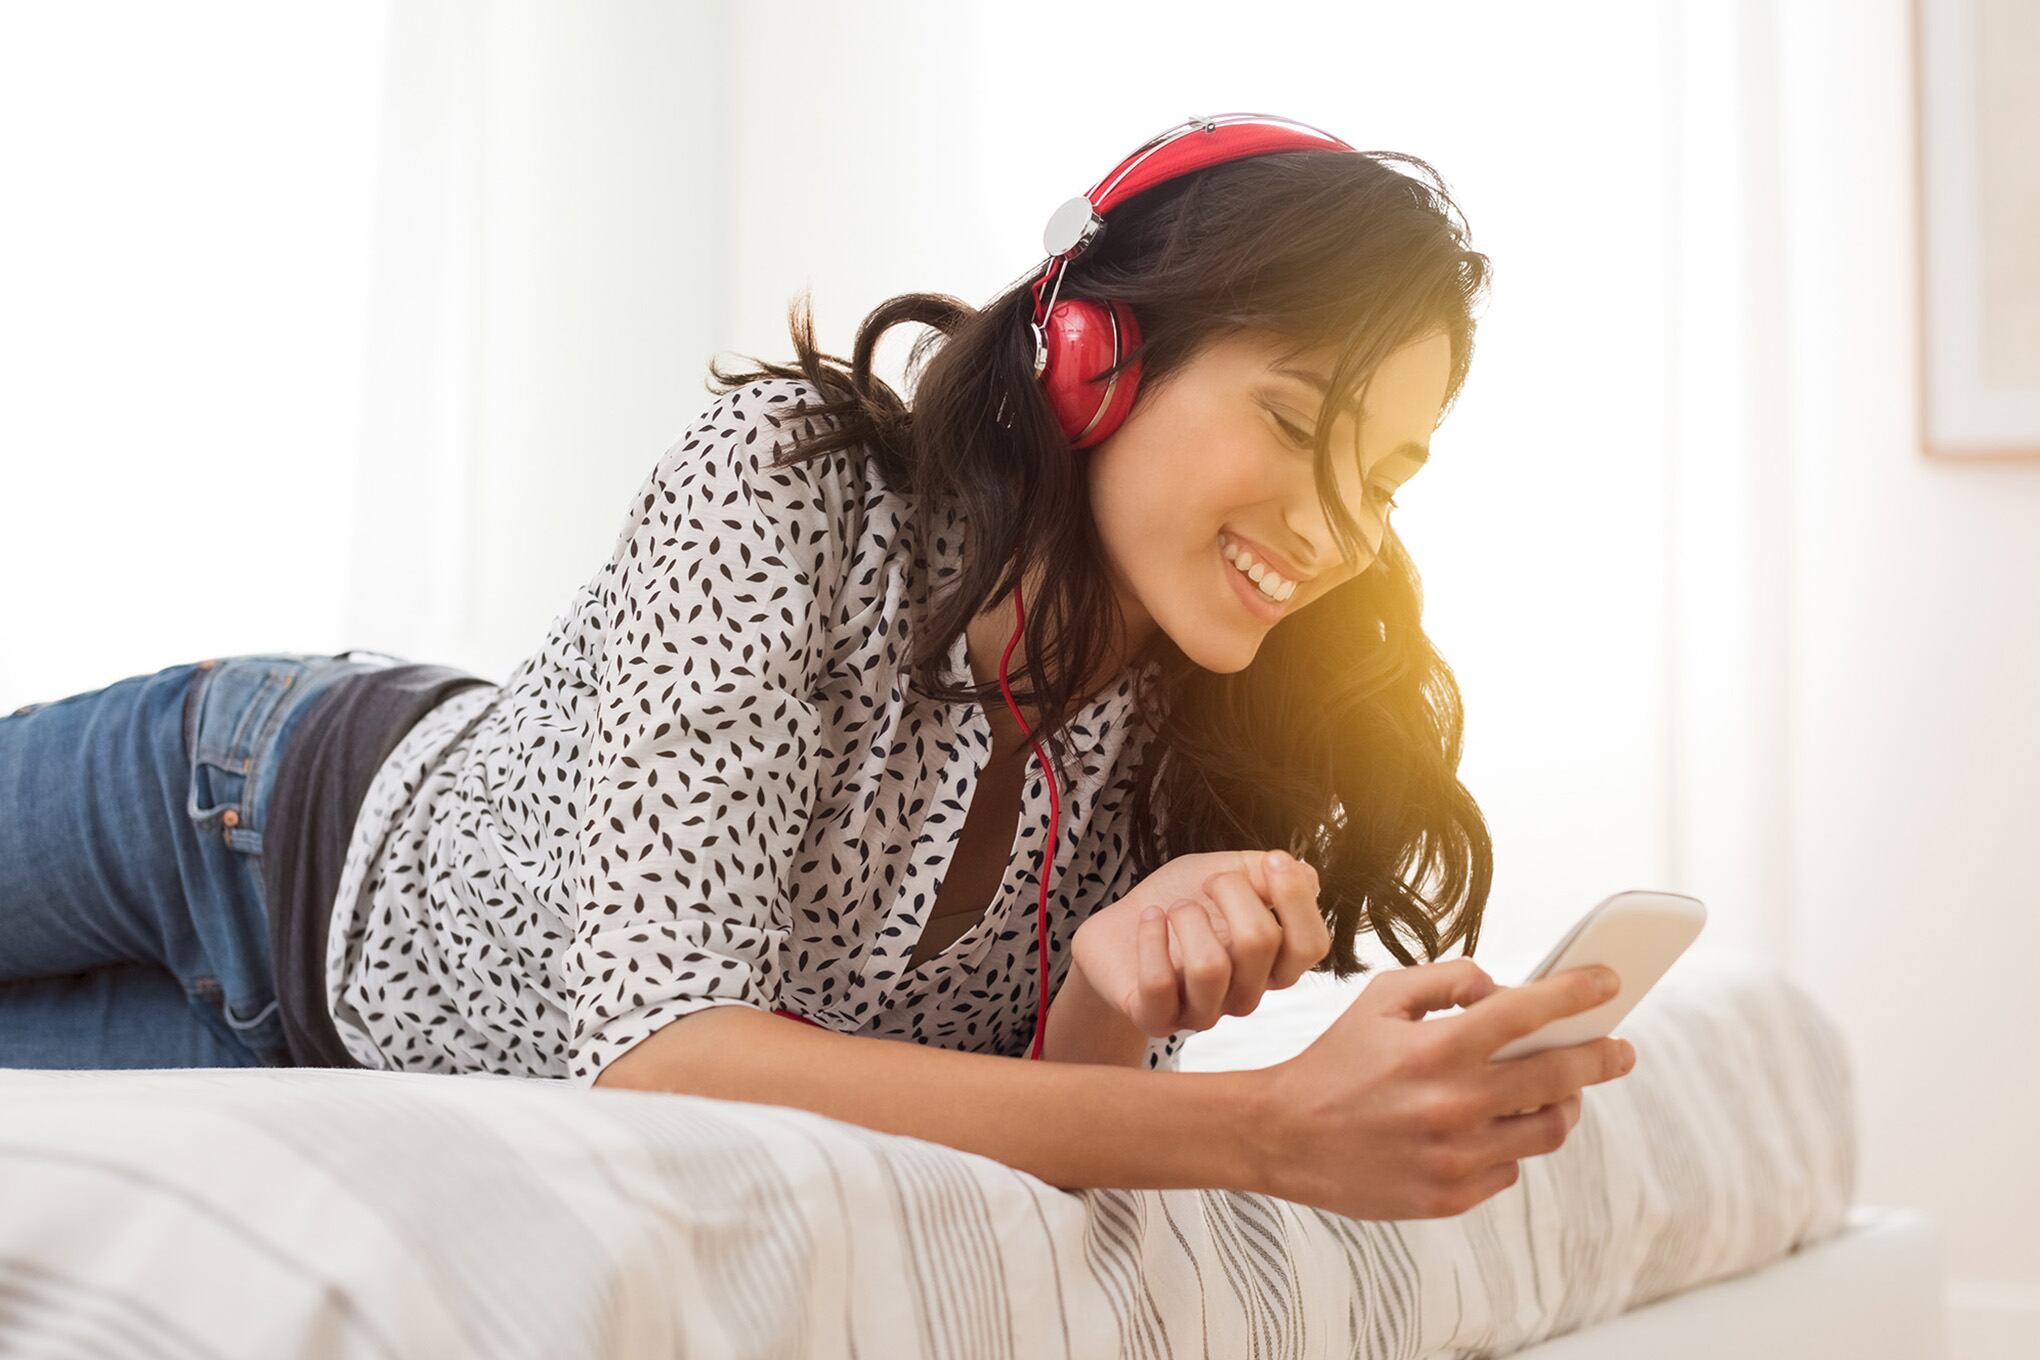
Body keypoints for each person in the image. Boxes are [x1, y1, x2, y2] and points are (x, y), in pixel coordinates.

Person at [0, 114, 1637, 1221]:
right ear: (1098, 348)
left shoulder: (1207, 736)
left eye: (1394, 474)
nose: (1345, 526)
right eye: (1296, 423)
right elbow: (666, 1060)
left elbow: (1000, 1140)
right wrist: (1272, 1128)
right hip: (237, 810)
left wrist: (1099, 1004)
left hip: (329, 1058)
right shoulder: (791, 479)